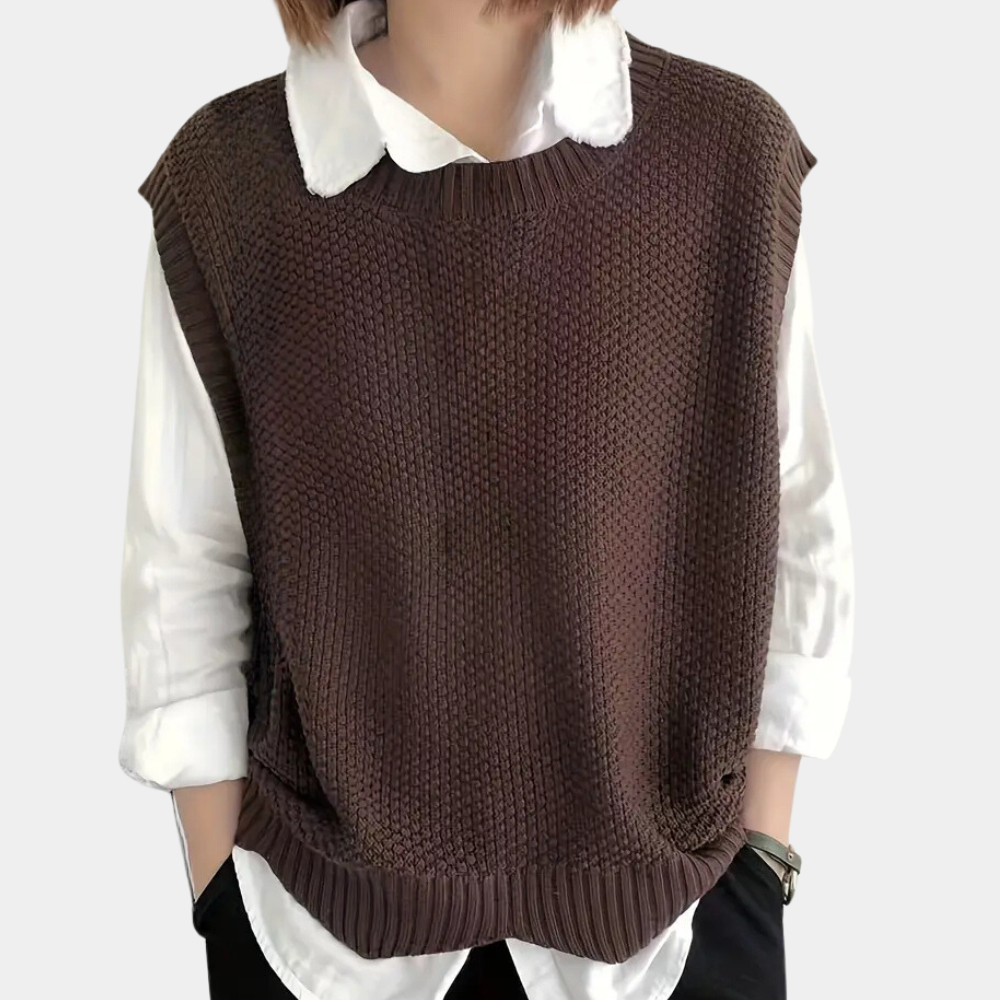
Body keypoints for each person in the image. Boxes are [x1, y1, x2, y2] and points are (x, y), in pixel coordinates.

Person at [118, 2, 854, 998]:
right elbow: (185, 561)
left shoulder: (725, 154)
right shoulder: (231, 180)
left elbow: (795, 518)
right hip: (318, 945)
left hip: (677, 932)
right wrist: (224, 905)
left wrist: (759, 860)